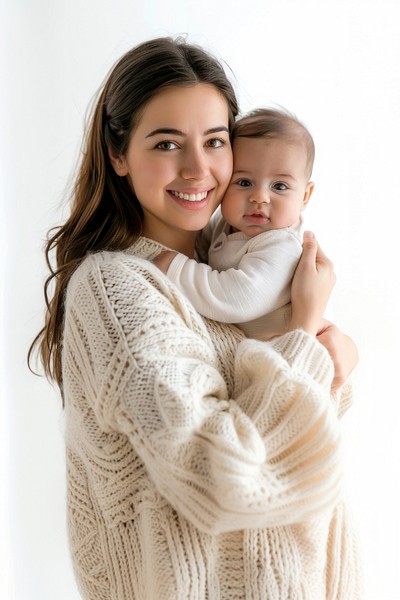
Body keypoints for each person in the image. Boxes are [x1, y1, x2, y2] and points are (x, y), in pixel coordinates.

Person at [29, 36, 361, 599]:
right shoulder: (115, 288)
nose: (198, 168)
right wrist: (307, 335)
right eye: (166, 143)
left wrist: (334, 363)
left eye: (215, 141)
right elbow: (219, 477)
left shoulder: (233, 260)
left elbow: (298, 438)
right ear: (118, 155)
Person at [155, 108, 318, 341]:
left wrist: (179, 271)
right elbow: (201, 247)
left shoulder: (281, 245)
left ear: (305, 196)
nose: (259, 197)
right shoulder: (227, 224)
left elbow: (237, 296)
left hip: (280, 351)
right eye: (244, 182)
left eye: (279, 186)